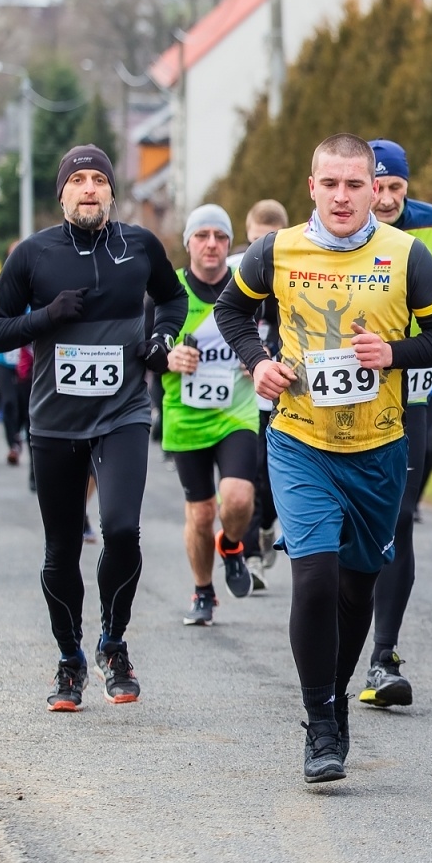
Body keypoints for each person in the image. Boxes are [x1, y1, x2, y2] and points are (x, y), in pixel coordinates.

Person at [214, 133, 432, 783]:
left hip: (380, 450)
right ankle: (319, 720)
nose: (345, 196)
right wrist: (259, 362)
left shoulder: (406, 255)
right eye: (333, 184)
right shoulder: (278, 250)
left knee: (357, 590)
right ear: (312, 187)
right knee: (316, 576)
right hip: (301, 441)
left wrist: (393, 353)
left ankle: (336, 696)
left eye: (358, 184)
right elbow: (231, 310)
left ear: (376, 188)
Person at [0, 145, 187, 711]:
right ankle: (69, 660)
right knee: (61, 549)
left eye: (99, 180)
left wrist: (162, 340)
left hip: (123, 413)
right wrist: (45, 317)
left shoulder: (139, 245)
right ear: (62, 193)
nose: (89, 188)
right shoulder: (33, 255)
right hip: (55, 421)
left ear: (112, 192)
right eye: (78, 180)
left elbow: (172, 297)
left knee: (120, 530)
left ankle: (113, 643)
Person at [354, 138, 432, 709]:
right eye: (379, 187)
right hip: (343, 396)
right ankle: (339, 639)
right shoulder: (330, 231)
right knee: (350, 526)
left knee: (400, 518)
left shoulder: (428, 227)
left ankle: (383, 655)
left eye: (396, 187)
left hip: (410, 393)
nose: (387, 199)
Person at [159, 204, 260, 626]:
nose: (212, 245)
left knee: (237, 497)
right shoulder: (170, 293)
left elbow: (279, 337)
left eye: (220, 236)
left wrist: (260, 357)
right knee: (200, 513)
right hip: (185, 415)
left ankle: (233, 545)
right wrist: (168, 356)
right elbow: (146, 347)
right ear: (188, 244)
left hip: (237, 412)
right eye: (202, 236)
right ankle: (203, 590)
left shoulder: (248, 290)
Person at [238, 199, 290, 591]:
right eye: (256, 240)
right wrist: (249, 357)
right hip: (244, 395)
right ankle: (252, 555)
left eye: (269, 242)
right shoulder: (239, 271)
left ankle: (269, 522)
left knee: (273, 478)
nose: (261, 250)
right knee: (253, 471)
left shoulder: (292, 271)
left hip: (285, 391)